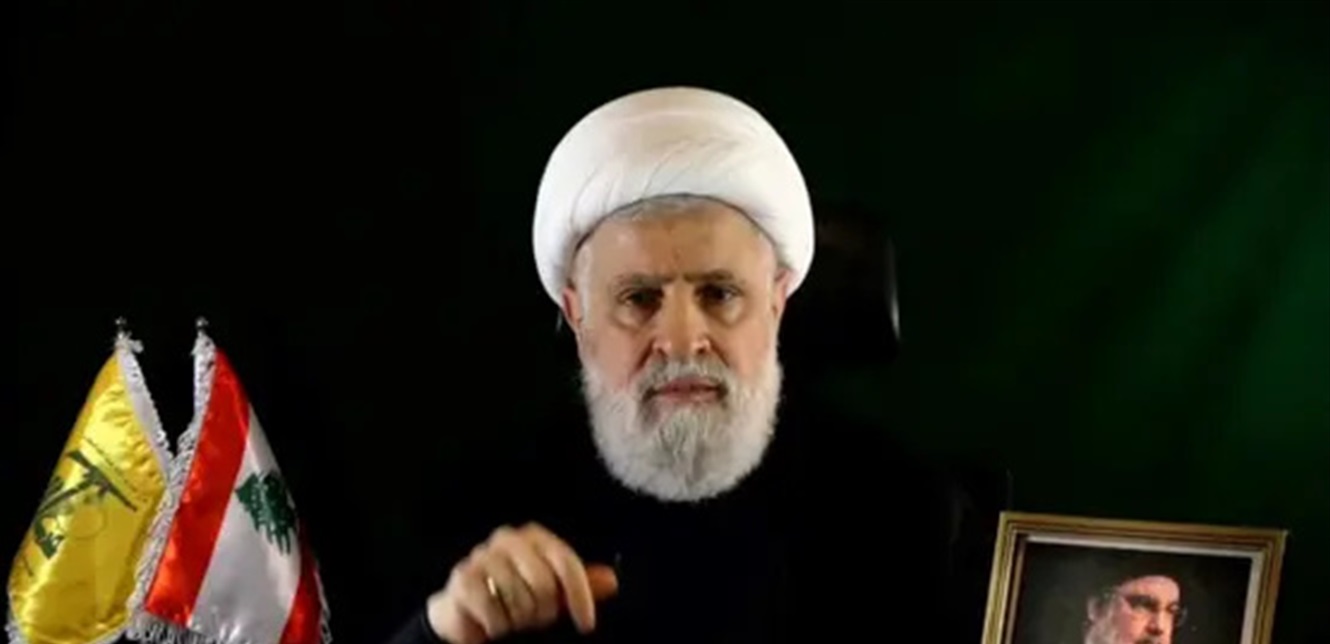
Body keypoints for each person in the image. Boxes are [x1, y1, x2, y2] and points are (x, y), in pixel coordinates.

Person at [384, 86, 957, 644]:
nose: (682, 344)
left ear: (776, 303)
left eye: (719, 294)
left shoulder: (900, 513)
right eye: (639, 298)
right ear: (577, 314)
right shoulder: (480, 516)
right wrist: (443, 633)